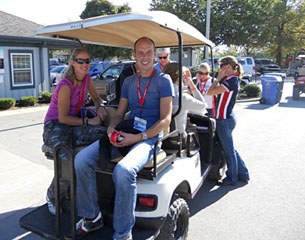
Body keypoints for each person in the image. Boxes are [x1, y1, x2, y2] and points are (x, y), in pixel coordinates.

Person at [74, 37, 174, 239]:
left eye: (149, 52)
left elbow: (165, 119)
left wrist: (137, 138)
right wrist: (111, 128)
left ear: (154, 54)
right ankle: (92, 216)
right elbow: (120, 114)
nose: (145, 57)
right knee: (81, 160)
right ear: (134, 55)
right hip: (129, 130)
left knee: (124, 170)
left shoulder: (164, 80)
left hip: (150, 137)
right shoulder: (129, 81)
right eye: (140, 53)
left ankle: (123, 233)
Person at [43, 46, 108, 215]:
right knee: (68, 161)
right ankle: (53, 196)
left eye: (87, 61)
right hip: (55, 126)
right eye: (80, 61)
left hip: (74, 126)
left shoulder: (87, 79)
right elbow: (63, 118)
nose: (85, 64)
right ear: (72, 63)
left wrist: (100, 107)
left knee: (105, 134)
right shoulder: (65, 85)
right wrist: (88, 121)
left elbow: (96, 98)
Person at [207, 56, 249, 186]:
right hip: (225, 119)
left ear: (229, 67)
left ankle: (232, 178)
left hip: (224, 120)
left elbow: (210, 92)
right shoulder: (230, 80)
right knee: (230, 148)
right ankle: (243, 173)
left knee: (229, 151)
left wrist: (218, 79)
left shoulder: (230, 81)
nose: (220, 69)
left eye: (222, 67)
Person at [163, 62, 207, 137]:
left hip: (160, 137)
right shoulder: (183, 98)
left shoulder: (159, 94)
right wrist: (190, 83)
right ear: (180, 78)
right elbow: (203, 107)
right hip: (176, 139)